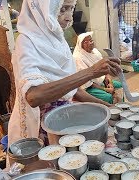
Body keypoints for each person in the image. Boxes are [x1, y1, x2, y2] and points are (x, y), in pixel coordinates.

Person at [8, 0, 121, 146]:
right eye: (62, 10)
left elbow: (72, 89)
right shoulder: (26, 42)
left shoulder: (58, 40)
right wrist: (91, 71)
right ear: (41, 9)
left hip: (63, 121)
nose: (68, 17)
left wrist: (106, 107)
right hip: (40, 128)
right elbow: (33, 96)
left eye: (71, 9)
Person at [73, 32, 122, 104]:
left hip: (101, 81)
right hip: (89, 87)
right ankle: (111, 112)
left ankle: (122, 108)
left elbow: (105, 68)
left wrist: (110, 81)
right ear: (80, 45)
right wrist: (105, 89)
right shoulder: (78, 58)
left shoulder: (95, 52)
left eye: (91, 40)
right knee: (107, 97)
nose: (90, 43)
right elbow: (87, 82)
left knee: (120, 86)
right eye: (85, 42)